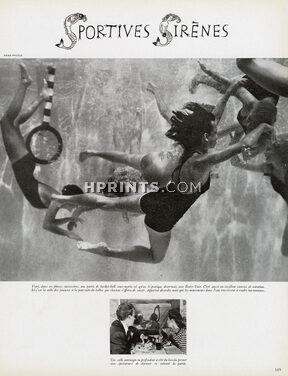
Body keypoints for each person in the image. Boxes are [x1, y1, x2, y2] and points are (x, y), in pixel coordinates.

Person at [51, 79, 267, 263]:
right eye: (212, 134)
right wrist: (263, 127)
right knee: (155, 257)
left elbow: (212, 119)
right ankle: (107, 251)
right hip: (163, 216)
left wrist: (229, 92)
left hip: (155, 198)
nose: (215, 134)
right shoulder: (203, 161)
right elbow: (239, 146)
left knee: (104, 201)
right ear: (204, 137)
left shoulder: (189, 146)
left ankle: (59, 198)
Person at [0, 63, 84, 240]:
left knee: (12, 123)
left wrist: (69, 219)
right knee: (8, 122)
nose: (74, 207)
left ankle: (35, 90)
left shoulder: (57, 201)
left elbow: (51, 222)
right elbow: (47, 225)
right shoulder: (57, 201)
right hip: (22, 165)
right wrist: (69, 232)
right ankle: (28, 85)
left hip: (24, 166)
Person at [190, 61, 278, 157]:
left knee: (237, 126)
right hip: (262, 84)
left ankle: (200, 141)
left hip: (265, 107)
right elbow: (230, 84)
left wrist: (240, 150)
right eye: (249, 119)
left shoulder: (261, 138)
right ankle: (201, 78)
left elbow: (247, 146)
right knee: (223, 88)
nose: (247, 121)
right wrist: (208, 71)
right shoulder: (250, 103)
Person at [230, 133, 288, 256]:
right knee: (285, 250)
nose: (264, 153)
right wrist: (233, 146)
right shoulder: (269, 168)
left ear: (280, 151)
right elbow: (238, 163)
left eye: (268, 150)